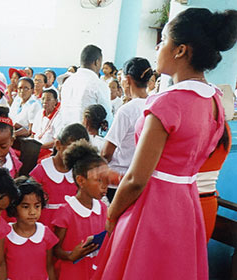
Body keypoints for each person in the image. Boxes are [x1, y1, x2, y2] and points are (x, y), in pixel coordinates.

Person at [93, 8, 237, 279]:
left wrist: (111, 215)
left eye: (164, 40)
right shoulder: (214, 100)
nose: (158, 47)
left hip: (153, 205)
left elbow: (137, 178)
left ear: (180, 50)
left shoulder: (168, 102)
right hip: (187, 203)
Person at [53, 140, 109, 280]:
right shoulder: (66, 212)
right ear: (81, 180)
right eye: (99, 180)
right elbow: (55, 249)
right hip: (72, 273)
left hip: (95, 272)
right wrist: (71, 255)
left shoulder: (102, 208)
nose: (105, 186)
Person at [101, 57, 151, 202]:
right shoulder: (154, 104)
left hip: (117, 180)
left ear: (127, 79)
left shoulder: (127, 110)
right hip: (140, 179)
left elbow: (107, 152)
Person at [30, 124, 90, 226]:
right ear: (58, 145)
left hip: (70, 226)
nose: (75, 155)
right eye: (71, 149)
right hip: (45, 225)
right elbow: (28, 199)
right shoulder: (42, 170)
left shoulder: (79, 174)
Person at [3, 178, 58, 280]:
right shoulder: (6, 234)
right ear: (14, 207)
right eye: (25, 207)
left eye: (37, 206)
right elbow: (1, 265)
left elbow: (49, 266)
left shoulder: (45, 233)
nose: (32, 212)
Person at [57, 45, 113, 128]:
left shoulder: (68, 82)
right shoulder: (98, 84)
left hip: (66, 133)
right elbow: (107, 117)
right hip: (87, 136)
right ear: (97, 62)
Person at [29, 89, 62, 154]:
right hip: (36, 148)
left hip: (49, 150)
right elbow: (33, 134)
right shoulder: (39, 113)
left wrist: (40, 147)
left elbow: (56, 141)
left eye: (48, 99)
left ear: (55, 101)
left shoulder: (59, 117)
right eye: (43, 99)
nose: (45, 101)